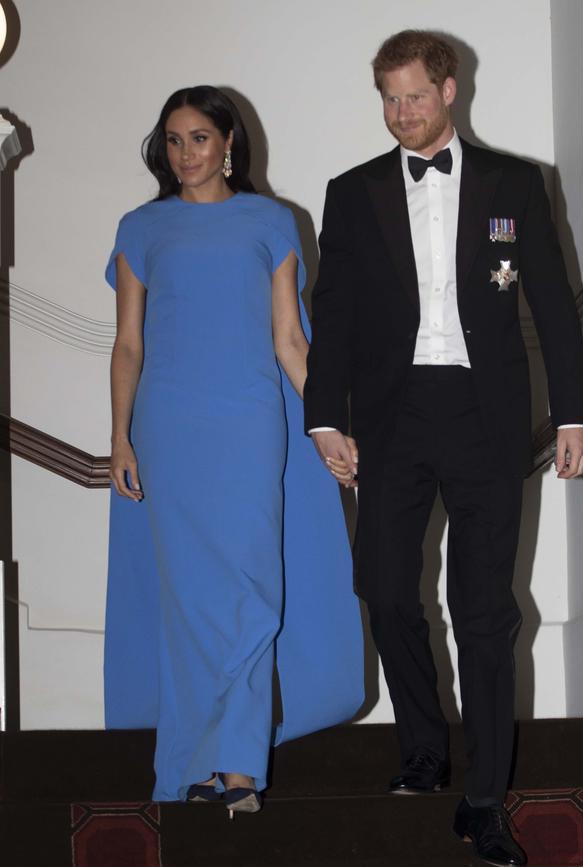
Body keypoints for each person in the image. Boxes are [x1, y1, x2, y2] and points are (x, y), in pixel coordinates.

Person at [304, 30, 583, 867]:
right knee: (386, 589)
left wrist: (572, 412)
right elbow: (338, 314)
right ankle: (424, 745)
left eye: (415, 97)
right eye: (389, 100)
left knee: (484, 613)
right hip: (391, 419)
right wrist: (325, 416)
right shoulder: (352, 193)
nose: (402, 115)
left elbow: (554, 304)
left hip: (485, 417)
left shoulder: (515, 184)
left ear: (450, 89)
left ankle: (483, 798)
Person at [104, 85, 363, 812]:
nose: (185, 154)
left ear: (228, 145)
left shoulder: (270, 221)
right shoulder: (140, 228)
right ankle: (192, 763)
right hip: (170, 428)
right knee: (188, 602)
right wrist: (120, 433)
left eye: (199, 139)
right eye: (174, 141)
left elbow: (290, 340)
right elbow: (128, 343)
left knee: (252, 593)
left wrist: (331, 425)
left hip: (250, 423)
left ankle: (241, 764)